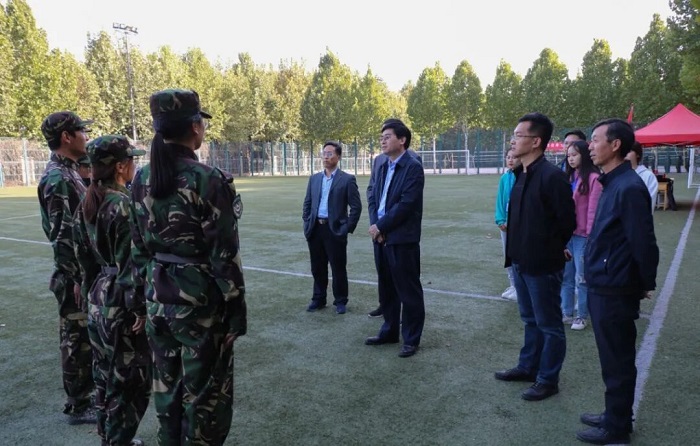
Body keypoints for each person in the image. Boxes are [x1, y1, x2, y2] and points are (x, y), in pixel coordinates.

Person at [130, 89, 246, 445]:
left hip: (157, 300)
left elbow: (138, 248)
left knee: (166, 391)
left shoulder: (141, 178)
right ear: (195, 127)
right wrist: (236, 312)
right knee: (206, 396)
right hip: (200, 306)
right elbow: (224, 255)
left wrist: (141, 301)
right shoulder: (207, 179)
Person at [576, 119, 658, 445]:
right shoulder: (613, 182)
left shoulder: (629, 187)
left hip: (615, 287)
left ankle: (617, 428)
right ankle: (615, 415)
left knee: (618, 360)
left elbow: (644, 241)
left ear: (615, 145)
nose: (590, 146)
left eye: (596, 140)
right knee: (612, 358)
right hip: (604, 282)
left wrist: (645, 282)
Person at [494, 112, 575, 401]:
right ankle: (528, 367)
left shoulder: (553, 177)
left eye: (519, 135)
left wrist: (549, 249)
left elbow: (567, 222)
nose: (513, 140)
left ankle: (548, 380)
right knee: (530, 319)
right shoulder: (520, 175)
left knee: (549, 325)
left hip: (542, 265)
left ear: (536, 141)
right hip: (519, 262)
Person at [75, 135, 150, 446]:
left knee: (105, 374)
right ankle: (117, 440)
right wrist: (139, 309)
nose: (134, 165)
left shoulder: (89, 201)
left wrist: (88, 291)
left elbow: (83, 258)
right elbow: (131, 264)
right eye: (131, 160)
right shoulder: (121, 205)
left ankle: (109, 436)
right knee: (130, 382)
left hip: (98, 297)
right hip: (120, 301)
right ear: (120, 166)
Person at [37, 111, 97, 424]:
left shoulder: (69, 173)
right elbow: (63, 237)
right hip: (74, 276)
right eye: (82, 131)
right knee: (76, 339)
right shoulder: (59, 179)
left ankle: (86, 395)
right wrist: (77, 277)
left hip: (81, 272)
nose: (86, 136)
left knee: (84, 337)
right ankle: (79, 404)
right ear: (66, 137)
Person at [365, 119, 425, 358]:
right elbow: (372, 195)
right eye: (381, 137)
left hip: (402, 239)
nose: (382, 140)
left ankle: (411, 339)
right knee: (386, 287)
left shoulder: (413, 167)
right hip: (380, 236)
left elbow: (406, 205)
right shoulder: (381, 164)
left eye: (387, 136)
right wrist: (375, 226)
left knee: (408, 290)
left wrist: (381, 226)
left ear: (402, 140)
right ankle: (389, 330)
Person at [302, 140, 362, 314]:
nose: (326, 157)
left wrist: (346, 228)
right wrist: (307, 222)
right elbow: (307, 203)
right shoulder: (314, 179)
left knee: (338, 267)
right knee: (317, 267)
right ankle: (318, 299)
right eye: (324, 154)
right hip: (315, 229)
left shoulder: (347, 179)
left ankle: (340, 301)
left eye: (330, 154)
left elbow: (356, 207)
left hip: (335, 230)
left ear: (338, 157)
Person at [560, 141, 602, 331]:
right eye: (568, 155)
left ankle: (582, 316)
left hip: (583, 236)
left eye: (574, 155)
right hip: (567, 235)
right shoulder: (568, 177)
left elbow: (593, 210)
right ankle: (566, 312)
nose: (571, 158)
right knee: (566, 276)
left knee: (581, 278)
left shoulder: (594, 178)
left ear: (584, 155)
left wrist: (591, 235)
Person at [494, 148, 521, 301]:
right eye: (508, 157)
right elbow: (500, 200)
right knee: (508, 256)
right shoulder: (505, 178)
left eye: (514, 157)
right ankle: (513, 285)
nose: (511, 160)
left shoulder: (522, 177)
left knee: (517, 255)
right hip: (505, 224)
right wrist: (500, 219)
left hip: (518, 224)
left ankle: (519, 287)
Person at [625, 142, 658, 214]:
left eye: (629, 151)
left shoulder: (648, 176)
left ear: (637, 154)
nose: (625, 155)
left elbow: (649, 203)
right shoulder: (617, 175)